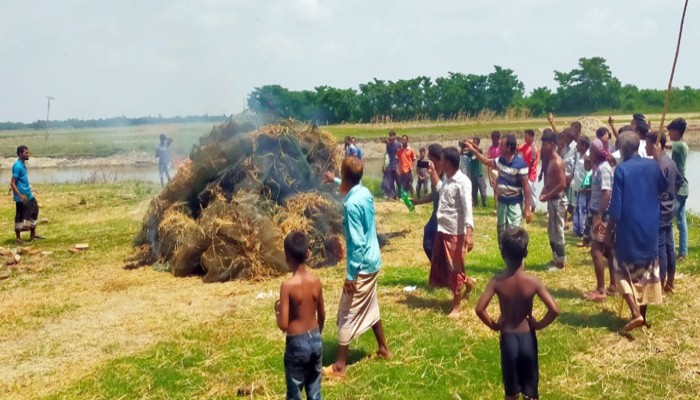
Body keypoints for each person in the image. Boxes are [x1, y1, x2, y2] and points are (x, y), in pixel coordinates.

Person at [322, 157, 390, 377]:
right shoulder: (365, 192)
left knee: (346, 312)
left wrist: (351, 275)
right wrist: (335, 180)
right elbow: (349, 184)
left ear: (346, 175)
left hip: (362, 266)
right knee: (370, 305)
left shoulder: (351, 205)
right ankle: (383, 349)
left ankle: (340, 366)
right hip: (374, 260)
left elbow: (358, 244)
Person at [475, 228, 559, 400]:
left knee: (511, 393)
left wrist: (494, 325)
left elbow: (479, 308)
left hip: (508, 340)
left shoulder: (497, 282)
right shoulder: (533, 282)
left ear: (503, 253)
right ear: (525, 253)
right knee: (531, 392)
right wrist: (539, 324)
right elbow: (554, 309)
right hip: (528, 337)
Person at [605, 131, 667, 331]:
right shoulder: (652, 166)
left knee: (619, 269)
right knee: (646, 273)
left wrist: (608, 234)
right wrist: (658, 159)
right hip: (650, 229)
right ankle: (643, 316)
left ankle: (634, 312)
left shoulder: (621, 170)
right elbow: (665, 187)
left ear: (622, 149)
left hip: (628, 231)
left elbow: (615, 209)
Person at [275, 231, 325, 400]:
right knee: (315, 389)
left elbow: (283, 324)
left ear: (286, 256)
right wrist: (318, 333)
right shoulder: (316, 281)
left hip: (296, 343)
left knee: (295, 391)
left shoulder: (287, 286)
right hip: (316, 338)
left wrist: (277, 310)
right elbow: (322, 314)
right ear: (308, 253)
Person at [426, 147, 475, 317]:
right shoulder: (447, 178)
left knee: (454, 269)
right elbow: (440, 188)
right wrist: (433, 172)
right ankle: (468, 283)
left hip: (456, 232)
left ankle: (457, 307)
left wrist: (469, 233)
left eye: (442, 160)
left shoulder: (463, 182)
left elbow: (468, 208)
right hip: (443, 229)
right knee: (446, 267)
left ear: (448, 162)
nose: (440, 162)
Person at [466, 134, 532, 247]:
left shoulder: (521, 164)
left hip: (514, 204)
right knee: (502, 234)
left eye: (502, 145)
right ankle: (508, 261)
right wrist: (473, 151)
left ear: (509, 148)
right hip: (502, 203)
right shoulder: (500, 160)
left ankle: (518, 262)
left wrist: (527, 209)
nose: (499, 147)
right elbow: (486, 161)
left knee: (514, 234)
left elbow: (526, 188)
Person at [646, 131, 685, 293]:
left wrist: (664, 196)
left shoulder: (659, 164)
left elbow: (678, 182)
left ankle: (662, 284)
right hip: (670, 207)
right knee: (669, 245)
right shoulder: (670, 162)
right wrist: (670, 196)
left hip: (661, 210)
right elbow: (679, 182)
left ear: (657, 145)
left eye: (648, 144)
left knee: (661, 247)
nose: (646, 147)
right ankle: (670, 282)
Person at [585, 139, 616, 302]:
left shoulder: (603, 169)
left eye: (590, 151)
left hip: (602, 215)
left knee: (596, 250)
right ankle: (613, 285)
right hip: (602, 213)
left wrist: (599, 215)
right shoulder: (600, 167)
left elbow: (606, 193)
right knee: (609, 250)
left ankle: (601, 289)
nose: (589, 154)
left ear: (596, 153)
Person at [539, 131, 567, 269]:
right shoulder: (550, 160)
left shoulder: (557, 161)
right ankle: (555, 258)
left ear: (552, 144)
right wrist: (544, 191)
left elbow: (562, 184)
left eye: (544, 144)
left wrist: (547, 195)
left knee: (558, 231)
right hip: (552, 200)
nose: (542, 147)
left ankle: (560, 262)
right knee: (551, 230)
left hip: (558, 201)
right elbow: (550, 181)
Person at [413, 144, 443, 261]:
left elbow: (441, 191)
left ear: (434, 160)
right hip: (436, 212)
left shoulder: (445, 175)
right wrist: (417, 201)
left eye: (429, 158)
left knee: (430, 241)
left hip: (444, 214)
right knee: (429, 240)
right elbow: (434, 194)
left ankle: (440, 268)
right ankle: (438, 267)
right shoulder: (434, 173)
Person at [667, 118, 689, 261]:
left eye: (670, 131)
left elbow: (665, 145)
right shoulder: (682, 145)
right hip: (682, 188)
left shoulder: (679, 145)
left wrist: (654, 136)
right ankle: (682, 252)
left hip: (679, 189)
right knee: (681, 221)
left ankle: (674, 252)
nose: (669, 134)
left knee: (668, 219)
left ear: (677, 131)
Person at [11, 145, 43, 245]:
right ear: (20, 154)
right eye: (26, 153)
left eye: (28, 152)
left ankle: (33, 234)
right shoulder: (17, 166)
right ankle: (18, 238)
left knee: (34, 210)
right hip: (21, 196)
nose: (28, 154)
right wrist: (20, 195)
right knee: (20, 215)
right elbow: (12, 183)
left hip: (27, 194)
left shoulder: (23, 164)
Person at [572, 136, 591, 240]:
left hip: (584, 190)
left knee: (584, 211)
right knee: (578, 210)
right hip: (578, 189)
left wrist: (585, 187)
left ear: (584, 146)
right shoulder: (579, 155)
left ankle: (584, 232)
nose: (576, 147)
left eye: (578, 144)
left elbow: (589, 175)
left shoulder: (588, 157)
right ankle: (577, 230)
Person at [557, 129, 577, 225]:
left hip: (572, 178)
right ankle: (564, 219)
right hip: (563, 177)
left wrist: (571, 176)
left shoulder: (575, 147)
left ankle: (573, 220)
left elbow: (577, 164)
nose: (563, 139)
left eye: (564, 137)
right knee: (563, 199)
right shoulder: (564, 148)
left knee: (572, 201)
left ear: (569, 137)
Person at [518, 130, 539, 213]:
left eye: (526, 136)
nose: (525, 138)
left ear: (531, 137)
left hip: (530, 175)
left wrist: (525, 174)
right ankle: (525, 209)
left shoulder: (533, 149)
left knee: (531, 192)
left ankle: (533, 208)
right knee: (524, 192)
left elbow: (531, 164)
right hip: (525, 173)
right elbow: (518, 149)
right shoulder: (525, 145)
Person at [465, 137, 487, 207]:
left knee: (483, 192)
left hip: (480, 174)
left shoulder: (479, 152)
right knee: (474, 193)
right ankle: (476, 205)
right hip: (473, 175)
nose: (474, 143)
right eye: (473, 141)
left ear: (478, 143)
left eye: (476, 142)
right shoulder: (470, 153)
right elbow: (462, 154)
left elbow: (479, 149)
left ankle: (484, 205)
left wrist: (471, 143)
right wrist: (464, 145)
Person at [578, 157, 593, 248]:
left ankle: (587, 239)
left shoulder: (591, 173)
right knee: (587, 219)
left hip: (589, 199)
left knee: (588, 219)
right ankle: (586, 239)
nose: (584, 166)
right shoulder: (589, 173)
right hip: (587, 198)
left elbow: (592, 188)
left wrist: (583, 190)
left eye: (585, 164)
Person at [381, 130, 402, 199]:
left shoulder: (399, 144)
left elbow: (401, 156)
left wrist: (399, 167)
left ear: (395, 136)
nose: (390, 137)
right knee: (391, 181)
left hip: (396, 165)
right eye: (389, 135)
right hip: (390, 165)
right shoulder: (388, 145)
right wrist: (385, 165)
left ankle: (400, 196)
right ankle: (393, 195)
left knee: (398, 182)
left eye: (392, 135)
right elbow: (387, 155)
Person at [488, 131, 502, 212]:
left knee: (503, 190)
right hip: (494, 171)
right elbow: (489, 164)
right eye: (492, 139)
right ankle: (497, 207)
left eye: (495, 139)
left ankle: (502, 207)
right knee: (495, 190)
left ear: (498, 139)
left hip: (502, 171)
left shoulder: (502, 148)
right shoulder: (490, 149)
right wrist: (490, 177)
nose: (494, 141)